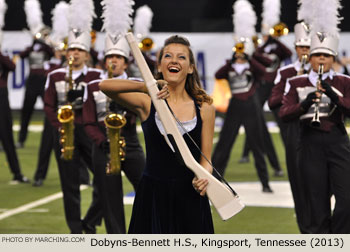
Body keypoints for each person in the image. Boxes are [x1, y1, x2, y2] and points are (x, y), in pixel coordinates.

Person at [100, 35, 214, 234]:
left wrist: (204, 177)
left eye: (181, 57)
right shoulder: (147, 102)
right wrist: (146, 86)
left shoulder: (205, 107)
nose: (174, 61)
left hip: (190, 195)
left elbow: (206, 159)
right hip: (152, 195)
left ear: (190, 68)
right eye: (167, 56)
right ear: (160, 66)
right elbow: (105, 86)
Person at [280, 0, 350, 233]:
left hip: (338, 142)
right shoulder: (296, 82)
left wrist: (335, 96)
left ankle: (339, 237)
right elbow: (284, 113)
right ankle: (324, 242)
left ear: (333, 59)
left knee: (346, 201)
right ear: (310, 58)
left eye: (326, 55)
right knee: (316, 204)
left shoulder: (344, 82)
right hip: (308, 143)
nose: (321, 59)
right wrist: (306, 104)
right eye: (317, 55)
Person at [83, 1, 145, 233]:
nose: (113, 61)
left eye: (118, 58)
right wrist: (102, 140)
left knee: (147, 188)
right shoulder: (93, 86)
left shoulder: (136, 85)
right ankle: (117, 241)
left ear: (126, 62)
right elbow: (88, 121)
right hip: (102, 146)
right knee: (110, 198)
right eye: (110, 57)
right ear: (103, 60)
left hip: (129, 143)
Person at [44, 0, 103, 233]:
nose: (75, 54)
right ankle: (75, 229)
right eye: (72, 50)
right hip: (65, 131)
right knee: (69, 184)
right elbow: (49, 104)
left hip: (90, 131)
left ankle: (91, 219)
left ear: (87, 54)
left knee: (103, 177)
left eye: (79, 50)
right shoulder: (56, 74)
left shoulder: (98, 75)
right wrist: (59, 125)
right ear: (66, 52)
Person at [268, 20, 311, 233]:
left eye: (308, 48)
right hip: (295, 133)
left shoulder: (325, 70)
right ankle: (306, 231)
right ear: (295, 48)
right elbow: (272, 102)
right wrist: (293, 84)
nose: (305, 51)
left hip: (322, 134)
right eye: (301, 47)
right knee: (298, 184)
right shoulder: (286, 72)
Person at [0, 51, 30, 184]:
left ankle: (17, 173)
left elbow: (12, 66)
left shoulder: (2, 57)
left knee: (7, 138)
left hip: (1, 99)